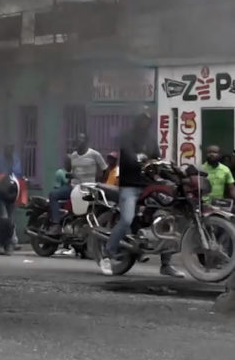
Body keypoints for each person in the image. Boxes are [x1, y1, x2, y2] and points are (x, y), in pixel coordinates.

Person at [101, 112, 185, 278]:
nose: (145, 123)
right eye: (142, 120)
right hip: (129, 187)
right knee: (126, 219)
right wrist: (138, 158)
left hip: (148, 186)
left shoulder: (151, 140)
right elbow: (129, 158)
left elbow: (157, 161)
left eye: (148, 121)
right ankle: (107, 255)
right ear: (136, 121)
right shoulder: (127, 137)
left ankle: (166, 264)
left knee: (167, 218)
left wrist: (174, 174)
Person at [49, 133, 107, 233]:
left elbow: (105, 170)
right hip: (73, 187)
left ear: (86, 142)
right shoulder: (73, 156)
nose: (79, 142)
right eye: (78, 140)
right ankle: (56, 224)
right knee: (53, 195)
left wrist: (100, 183)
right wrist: (70, 175)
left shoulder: (95, 154)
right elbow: (73, 171)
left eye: (82, 140)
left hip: (88, 188)